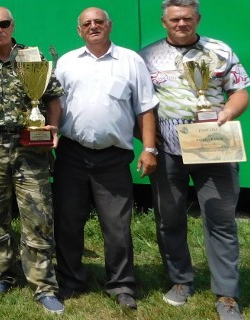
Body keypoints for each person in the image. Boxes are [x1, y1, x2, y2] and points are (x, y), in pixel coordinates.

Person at [139, 1, 250, 319]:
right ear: (164, 22)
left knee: (221, 221)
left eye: (188, 18)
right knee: (170, 219)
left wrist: (227, 112)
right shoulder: (147, 56)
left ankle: (227, 294)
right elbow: (139, 102)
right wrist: (145, 137)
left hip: (215, 148)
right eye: (175, 19)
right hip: (169, 153)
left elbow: (240, 91)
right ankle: (180, 281)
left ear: (197, 19)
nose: (181, 23)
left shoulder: (220, 50)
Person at [0, 6, 65, 314]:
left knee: (39, 215)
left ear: (12, 25)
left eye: (3, 23)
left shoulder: (32, 58)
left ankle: (43, 284)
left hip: (31, 148)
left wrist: (54, 128)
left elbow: (52, 98)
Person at [53, 7, 158, 310]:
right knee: (68, 221)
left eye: (99, 22)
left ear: (110, 26)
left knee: (117, 225)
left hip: (113, 158)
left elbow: (146, 107)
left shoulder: (130, 61)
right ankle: (71, 280)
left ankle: (121, 284)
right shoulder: (67, 62)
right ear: (79, 30)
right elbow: (57, 104)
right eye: (87, 23)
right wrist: (51, 132)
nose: (93, 26)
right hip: (72, 154)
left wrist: (149, 149)